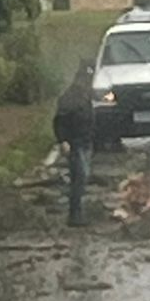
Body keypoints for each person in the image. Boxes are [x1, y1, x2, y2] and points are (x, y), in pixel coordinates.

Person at [53, 61, 96, 226]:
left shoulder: (85, 96)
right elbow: (59, 121)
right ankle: (74, 214)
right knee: (79, 176)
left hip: (85, 141)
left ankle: (78, 212)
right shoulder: (69, 98)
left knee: (82, 178)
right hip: (75, 142)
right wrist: (63, 140)